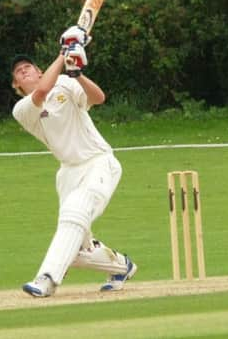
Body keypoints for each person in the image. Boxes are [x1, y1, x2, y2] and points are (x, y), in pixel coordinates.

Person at [10, 26, 137, 298]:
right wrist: (63, 53)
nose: (24, 72)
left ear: (39, 71)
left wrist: (77, 74)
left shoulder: (66, 84)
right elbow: (42, 92)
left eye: (28, 67)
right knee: (77, 247)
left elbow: (98, 98)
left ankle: (47, 279)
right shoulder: (22, 110)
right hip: (68, 173)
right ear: (17, 86)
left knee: (73, 216)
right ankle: (121, 266)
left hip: (99, 162)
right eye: (19, 73)